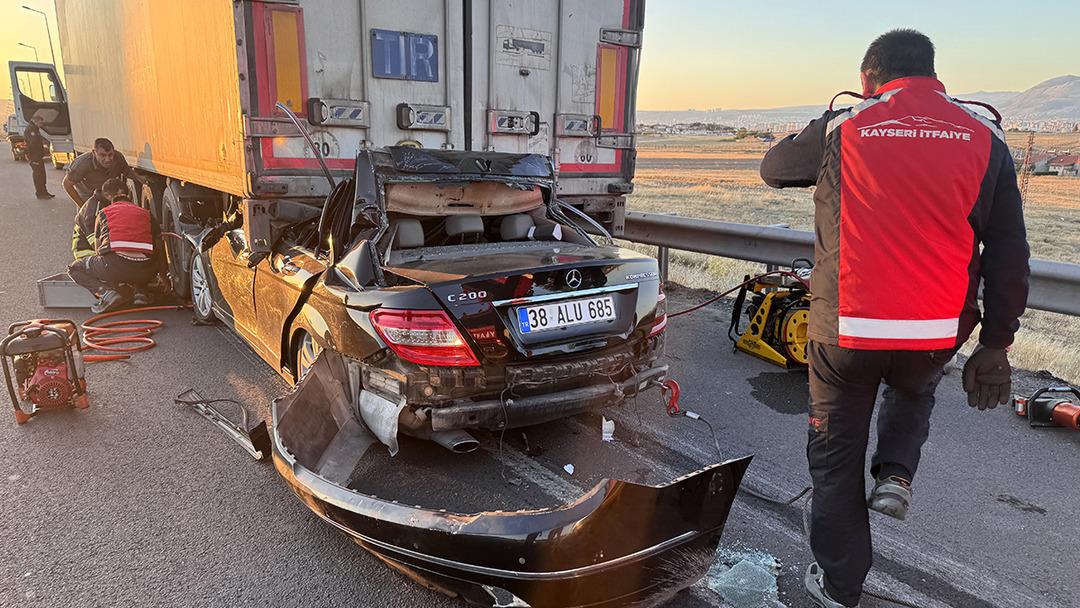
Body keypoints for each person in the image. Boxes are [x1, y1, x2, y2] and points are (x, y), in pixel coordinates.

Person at [759, 29, 1029, 608]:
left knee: (833, 458)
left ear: (867, 79)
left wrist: (828, 125)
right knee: (913, 387)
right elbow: (1010, 253)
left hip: (847, 332)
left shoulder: (845, 126)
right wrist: (997, 344)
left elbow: (773, 169)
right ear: (935, 74)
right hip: (936, 332)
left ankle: (838, 585)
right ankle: (898, 473)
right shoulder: (985, 136)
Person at [68, 177, 164, 313]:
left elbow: (98, 250)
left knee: (74, 268)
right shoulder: (146, 214)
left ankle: (107, 294)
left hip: (114, 268)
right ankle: (141, 293)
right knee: (139, 255)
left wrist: (112, 280)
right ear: (130, 196)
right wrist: (164, 277)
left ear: (109, 199)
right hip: (147, 271)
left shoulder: (103, 213)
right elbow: (159, 248)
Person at [62, 137, 144, 208]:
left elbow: (127, 171)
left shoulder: (118, 157)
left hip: (108, 196)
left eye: (110, 155)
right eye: (103, 155)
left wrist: (140, 178)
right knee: (90, 223)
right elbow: (66, 184)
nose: (107, 159)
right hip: (88, 198)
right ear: (94, 153)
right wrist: (82, 206)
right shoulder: (82, 164)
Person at [24, 115, 55, 199]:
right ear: (35, 121)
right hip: (34, 156)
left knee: (42, 175)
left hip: (37, 156)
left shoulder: (35, 128)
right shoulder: (31, 129)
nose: (41, 124)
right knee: (38, 175)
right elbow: (33, 143)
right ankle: (40, 193)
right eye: (40, 122)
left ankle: (44, 192)